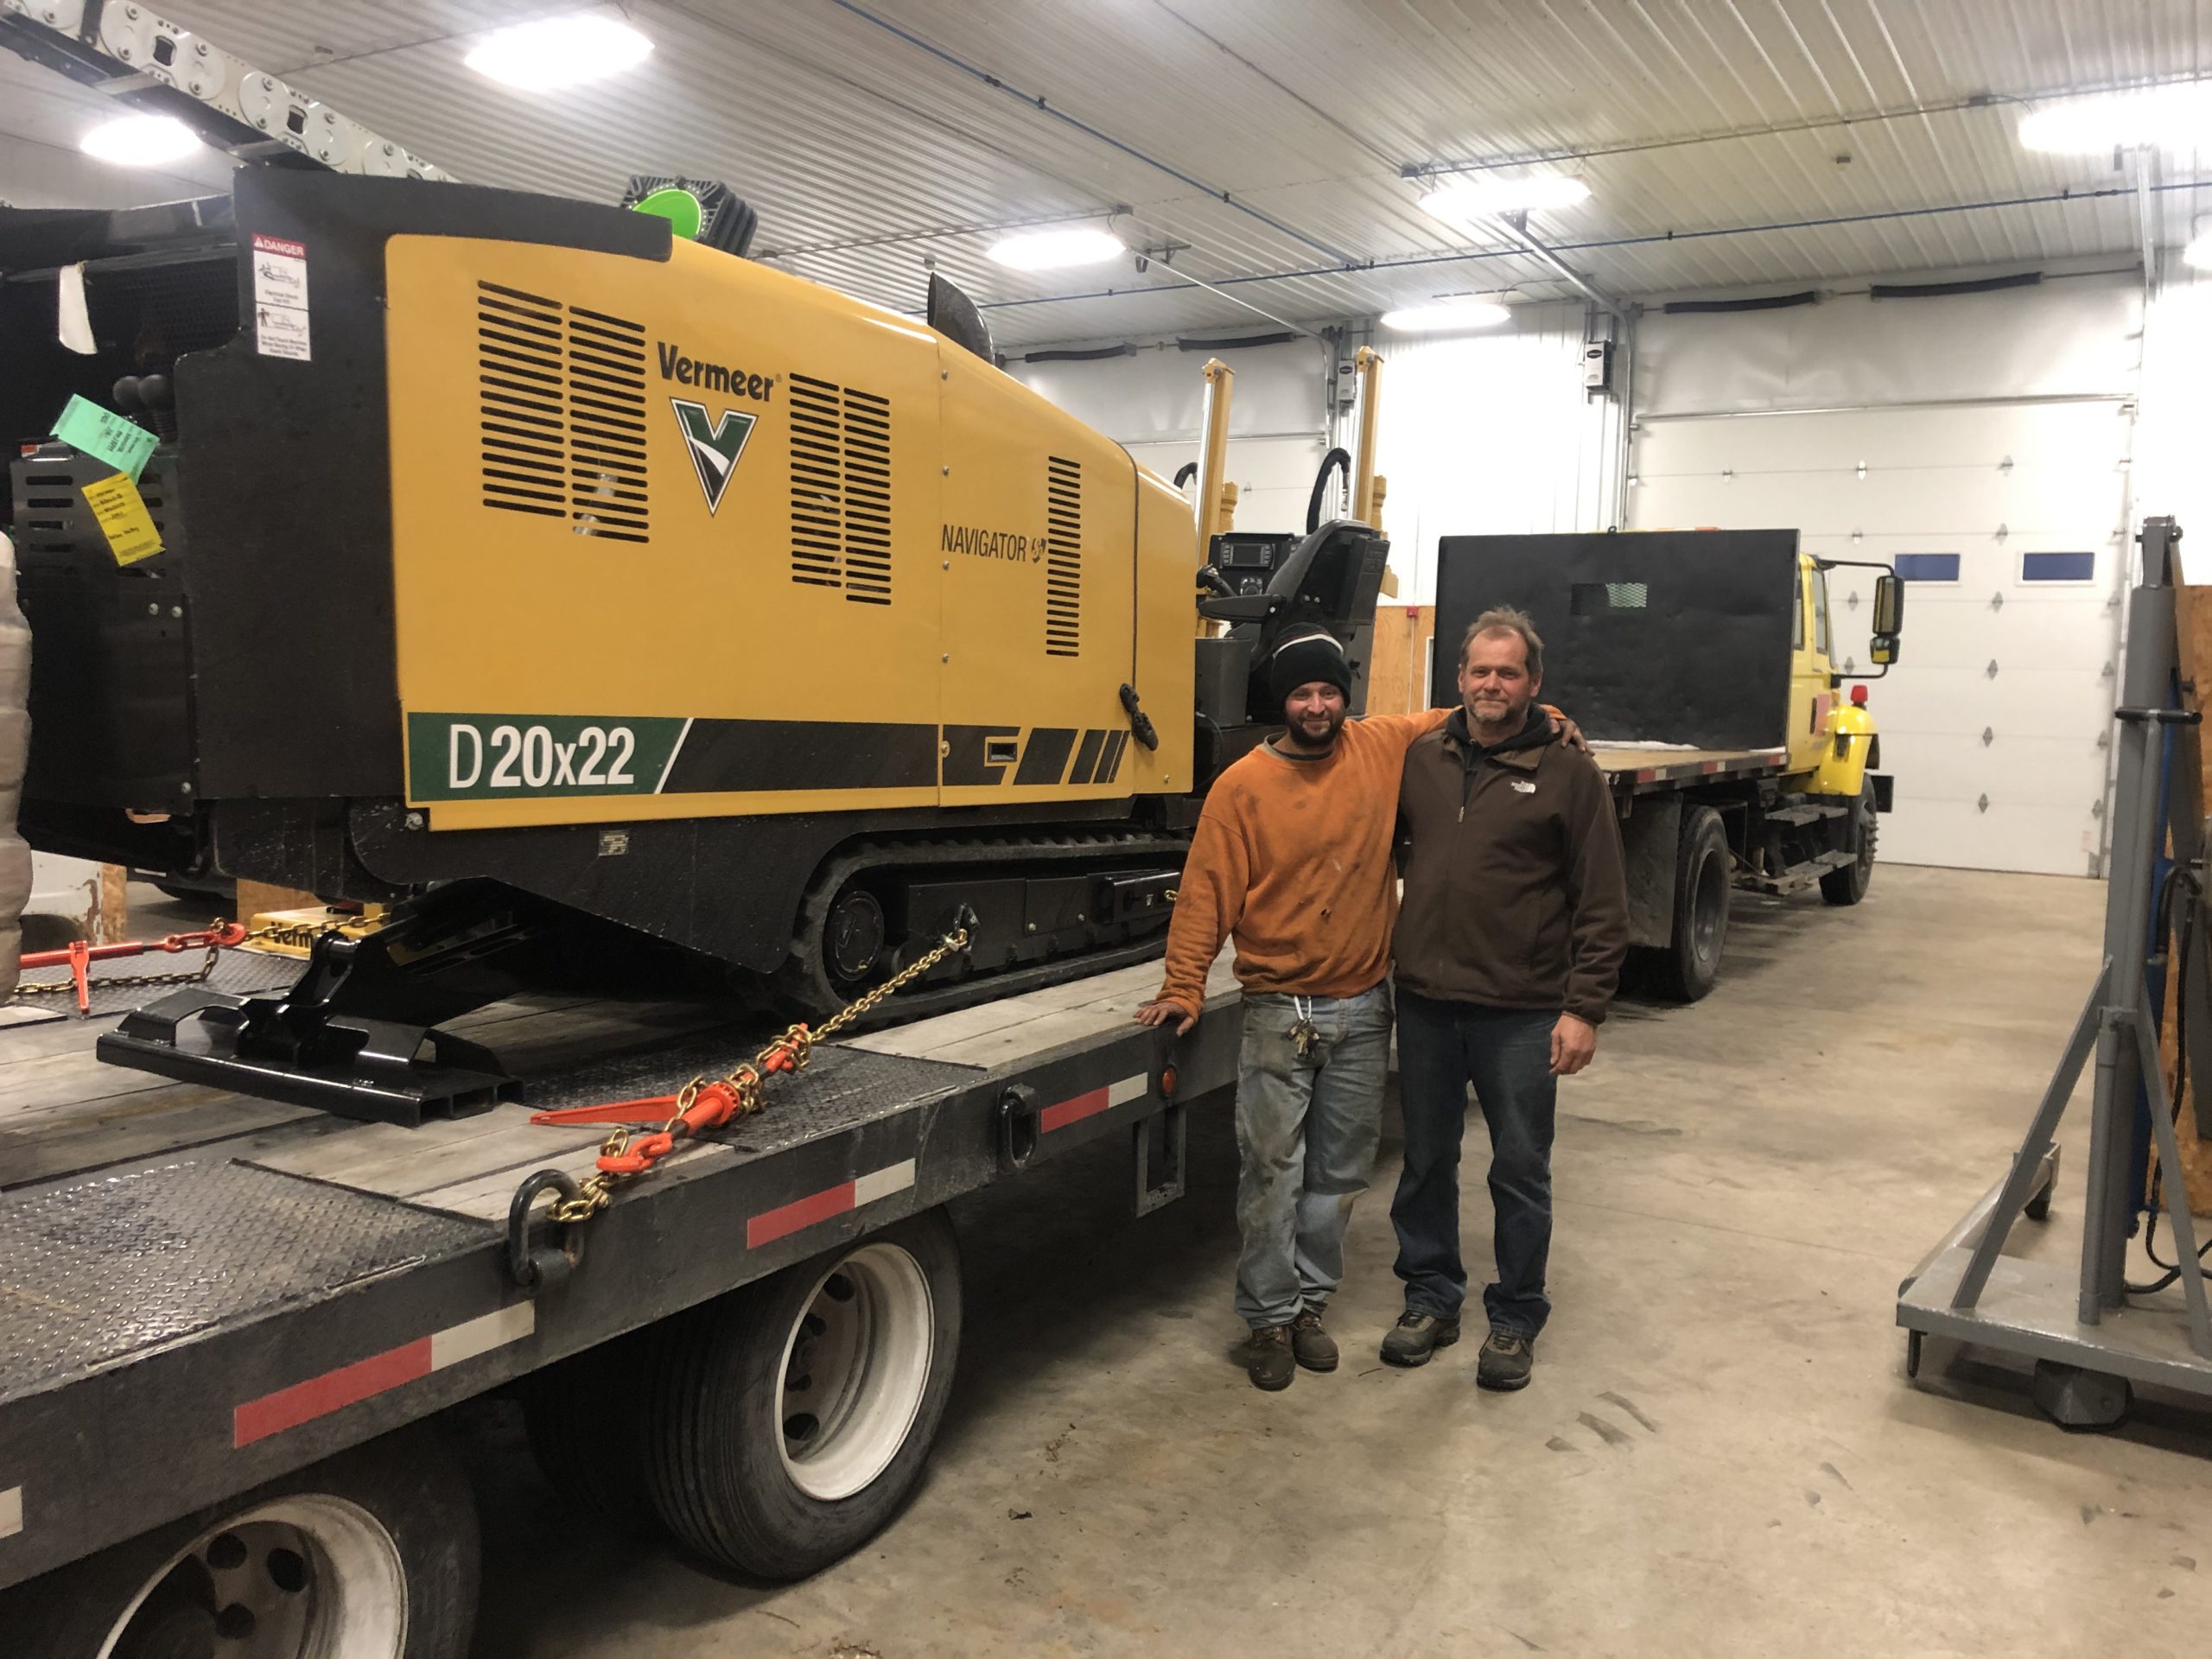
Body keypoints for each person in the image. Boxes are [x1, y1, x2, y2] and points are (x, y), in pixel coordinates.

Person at [1135, 625, 1579, 1392]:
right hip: (1280, 1007)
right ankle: (1268, 1317)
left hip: (1365, 1007)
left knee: (1339, 1176)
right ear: (1284, 703)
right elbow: (1207, 893)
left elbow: (1470, 707)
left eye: (1329, 691)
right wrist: (1184, 985)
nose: (1317, 705)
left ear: (1347, 696)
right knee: (1272, 1170)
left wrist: (1551, 716)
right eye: (1302, 693)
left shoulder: (1377, 745)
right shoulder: (1242, 786)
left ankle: (1310, 1304)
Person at [1382, 607, 1628, 1392]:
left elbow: (1602, 900)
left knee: (1519, 1169)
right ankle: (1431, 1299)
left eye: (1509, 672)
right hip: (1425, 1002)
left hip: (1522, 1010)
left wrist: (1584, 1008)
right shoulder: (1422, 759)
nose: (1493, 684)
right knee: (1425, 1162)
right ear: (1458, 678)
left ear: (1535, 683)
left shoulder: (1567, 772)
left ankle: (1516, 1315)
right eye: (1480, 671)